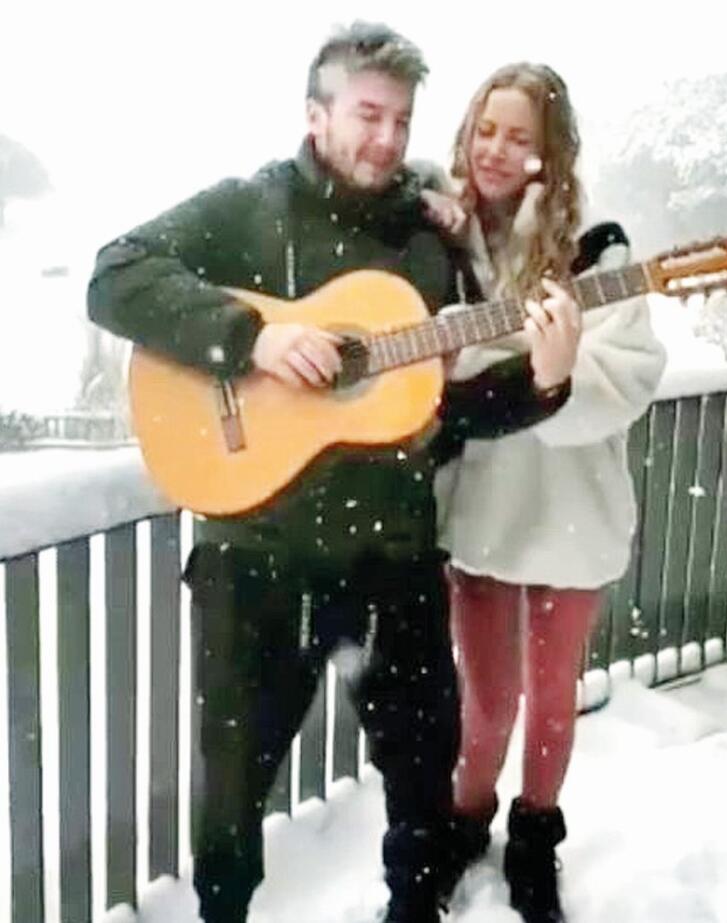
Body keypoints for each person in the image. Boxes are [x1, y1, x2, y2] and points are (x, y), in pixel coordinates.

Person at [86, 26, 581, 923]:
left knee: (423, 780)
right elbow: (114, 277)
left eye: (402, 120)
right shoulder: (251, 208)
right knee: (232, 799)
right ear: (316, 115)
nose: (386, 139)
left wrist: (542, 383)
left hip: (392, 560)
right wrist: (253, 339)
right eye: (366, 115)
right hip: (257, 561)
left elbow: (436, 410)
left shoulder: (426, 238)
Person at [422, 63, 666, 922]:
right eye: (485, 130)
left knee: (553, 696)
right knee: (486, 701)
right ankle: (463, 823)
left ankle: (533, 839)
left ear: (550, 153)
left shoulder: (598, 251)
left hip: (571, 505)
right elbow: (419, 359)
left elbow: (631, 369)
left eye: (519, 136)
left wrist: (559, 376)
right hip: (482, 508)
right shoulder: (440, 242)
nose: (495, 150)